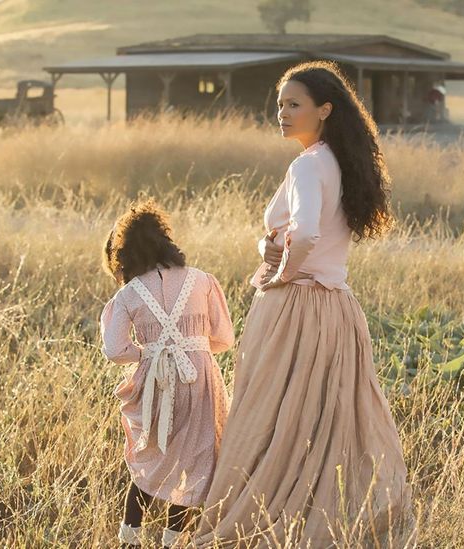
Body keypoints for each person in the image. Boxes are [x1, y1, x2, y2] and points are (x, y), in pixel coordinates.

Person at [192, 60, 415, 548]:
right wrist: (267, 249)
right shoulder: (339, 161)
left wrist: (281, 275)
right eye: (279, 105)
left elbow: (308, 233)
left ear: (325, 110)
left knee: (269, 414)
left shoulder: (308, 165)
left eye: (294, 104)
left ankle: (264, 519)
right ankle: (321, 518)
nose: (283, 113)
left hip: (296, 307)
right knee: (326, 418)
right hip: (337, 308)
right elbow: (294, 234)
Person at [99, 201, 234, 547]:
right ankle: (174, 541)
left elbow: (114, 350)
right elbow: (224, 338)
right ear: (164, 240)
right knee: (194, 459)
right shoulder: (202, 281)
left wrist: (146, 354)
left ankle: (129, 537)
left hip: (155, 381)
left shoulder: (128, 294)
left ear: (125, 253)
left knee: (153, 456)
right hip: (200, 379)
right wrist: (194, 349)